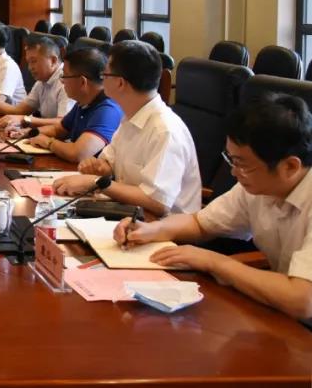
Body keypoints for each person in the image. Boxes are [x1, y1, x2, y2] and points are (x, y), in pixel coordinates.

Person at [113, 94, 312, 323]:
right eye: (231, 160)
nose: (234, 172)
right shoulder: (257, 187)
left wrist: (215, 262)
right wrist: (151, 229)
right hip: (282, 314)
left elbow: (303, 299)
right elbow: (200, 223)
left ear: (290, 166)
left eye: (242, 164)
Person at [53, 40, 200, 216]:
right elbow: (108, 164)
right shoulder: (130, 116)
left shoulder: (165, 130)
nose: (101, 79)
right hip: (128, 212)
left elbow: (157, 202)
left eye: (105, 74)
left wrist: (95, 181)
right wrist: (99, 168)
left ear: (120, 83)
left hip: (162, 225)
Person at [24, 47, 123, 165]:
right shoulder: (84, 101)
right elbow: (58, 129)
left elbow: (78, 153)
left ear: (82, 82)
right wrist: (28, 132)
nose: (62, 81)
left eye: (65, 76)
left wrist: (48, 142)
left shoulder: (107, 110)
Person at [0, 34, 73, 129]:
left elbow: (63, 122)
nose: (30, 68)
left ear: (53, 60)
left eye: (34, 61)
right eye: (28, 62)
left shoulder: (67, 81)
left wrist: (25, 119)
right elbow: (19, 111)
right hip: (45, 133)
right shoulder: (41, 81)